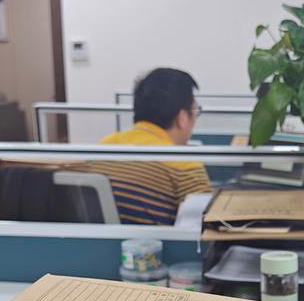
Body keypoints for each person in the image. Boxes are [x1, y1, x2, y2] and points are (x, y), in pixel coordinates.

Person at [83, 68, 212, 224]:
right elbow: (206, 227)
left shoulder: (104, 147)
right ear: (182, 118)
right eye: (196, 110)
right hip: (159, 241)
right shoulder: (184, 165)